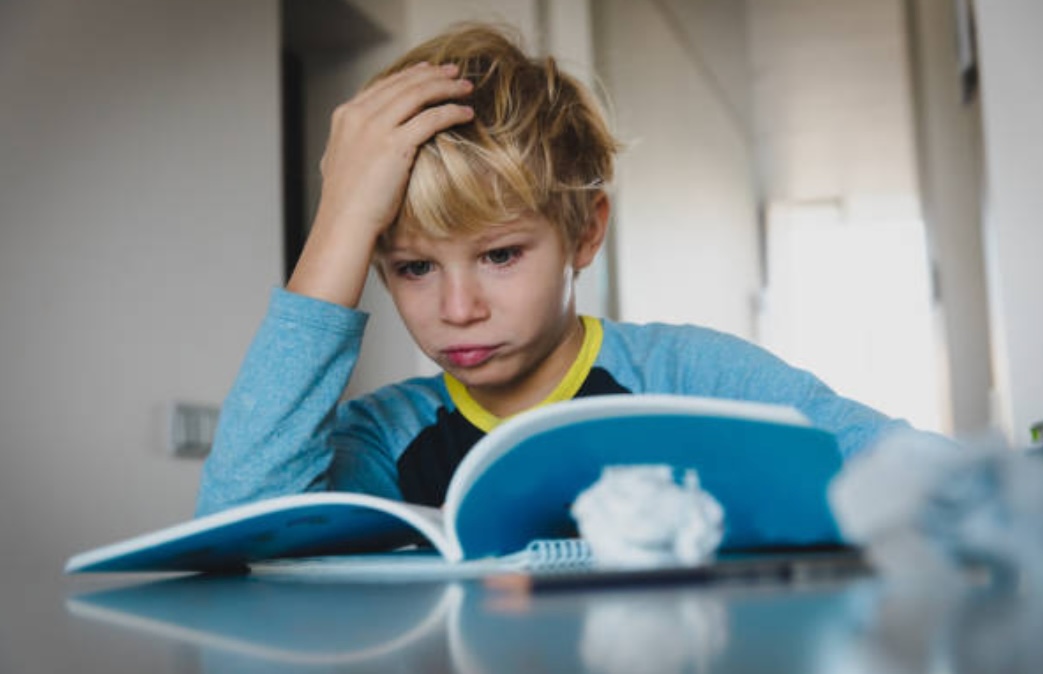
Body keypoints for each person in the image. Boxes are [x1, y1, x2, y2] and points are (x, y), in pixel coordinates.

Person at [196, 22, 906, 517]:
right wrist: (341, 221)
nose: (457, 307)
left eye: (499, 255)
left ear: (584, 232)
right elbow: (239, 524)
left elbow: (913, 474)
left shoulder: (694, 379)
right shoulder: (386, 437)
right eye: (413, 267)